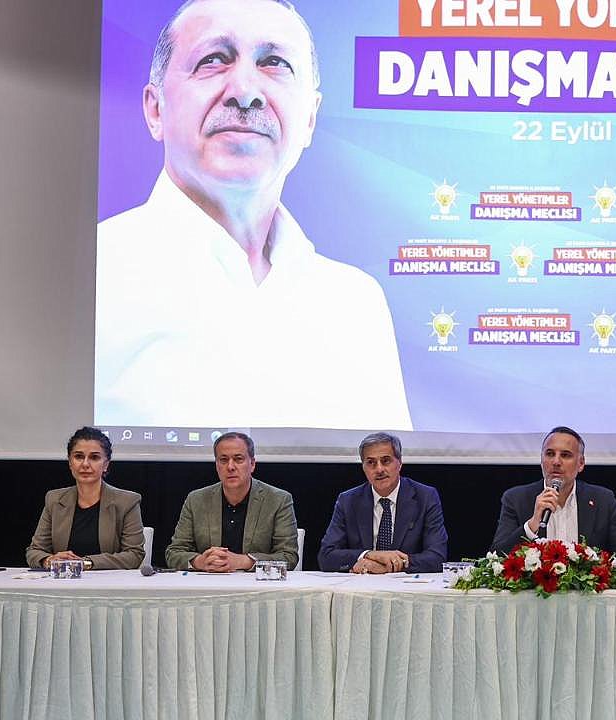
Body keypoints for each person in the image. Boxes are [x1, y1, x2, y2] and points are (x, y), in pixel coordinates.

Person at [95, 0, 409, 430]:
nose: (245, 91)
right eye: (213, 59)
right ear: (155, 109)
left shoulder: (356, 304)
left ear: (310, 118)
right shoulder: (90, 275)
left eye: (274, 63)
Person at [490, 426, 616, 558]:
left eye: (565, 455)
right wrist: (532, 524)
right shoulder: (516, 499)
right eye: (550, 454)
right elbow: (496, 556)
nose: (556, 462)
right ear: (541, 460)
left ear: (581, 463)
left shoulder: (603, 500)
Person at [165, 432, 299, 571]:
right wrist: (200, 561)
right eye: (223, 460)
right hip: (208, 580)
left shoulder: (278, 500)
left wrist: (243, 561)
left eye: (238, 459)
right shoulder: (196, 500)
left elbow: (288, 557)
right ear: (216, 465)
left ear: (252, 464)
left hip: (254, 582)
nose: (230, 467)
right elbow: (174, 552)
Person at [317, 432, 448, 574]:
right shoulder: (348, 500)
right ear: (363, 467)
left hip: (405, 584)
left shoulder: (425, 497)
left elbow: (437, 557)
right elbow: (326, 556)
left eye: (386, 461)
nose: (379, 469)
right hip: (362, 584)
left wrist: (389, 566)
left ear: (400, 463)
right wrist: (369, 555)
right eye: (371, 462)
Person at [26, 427, 146, 570]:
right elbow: (34, 551)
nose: (85, 464)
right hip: (63, 580)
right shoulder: (55, 499)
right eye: (79, 457)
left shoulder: (127, 502)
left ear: (106, 464)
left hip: (109, 581)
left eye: (94, 457)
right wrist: (49, 560)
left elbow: (134, 555)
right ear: (70, 462)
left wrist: (85, 563)